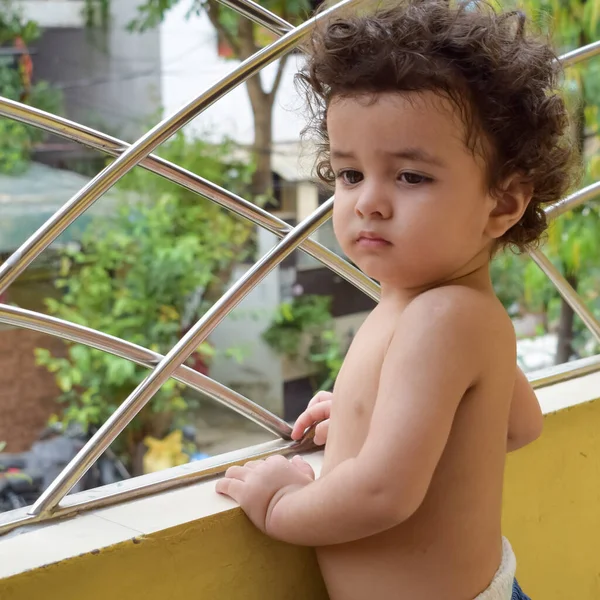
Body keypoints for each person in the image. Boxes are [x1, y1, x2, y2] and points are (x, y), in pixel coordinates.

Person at [216, 2, 577, 598]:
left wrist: (281, 501)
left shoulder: (442, 316)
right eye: (350, 174)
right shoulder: (452, 306)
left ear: (503, 204)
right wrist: (382, 413)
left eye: (410, 177)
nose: (369, 202)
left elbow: (383, 494)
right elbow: (519, 423)